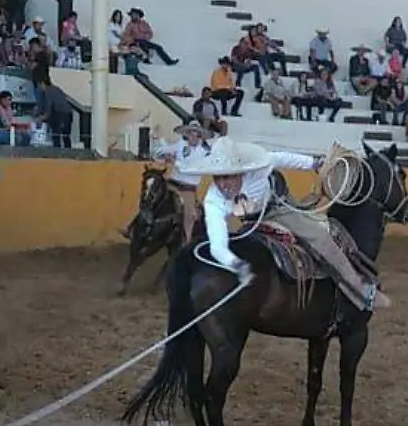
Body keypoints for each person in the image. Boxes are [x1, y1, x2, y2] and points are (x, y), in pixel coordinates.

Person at [176, 133, 390, 312]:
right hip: (248, 221)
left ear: (241, 170)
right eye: (217, 178)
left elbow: (282, 158)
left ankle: (362, 291)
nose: (222, 184)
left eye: (228, 176)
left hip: (278, 209)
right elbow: (217, 243)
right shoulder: (213, 200)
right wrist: (236, 265)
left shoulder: (259, 168)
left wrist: (314, 163)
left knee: (321, 238)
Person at [148, 120, 211, 244]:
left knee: (189, 216)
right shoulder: (180, 145)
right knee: (150, 195)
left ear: (199, 136)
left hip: (188, 189)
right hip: (172, 183)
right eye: (190, 133)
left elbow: (191, 169)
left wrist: (174, 161)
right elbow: (162, 151)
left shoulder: (203, 153)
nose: (193, 136)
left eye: (195, 133)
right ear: (187, 134)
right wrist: (159, 141)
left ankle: (186, 241)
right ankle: (137, 226)